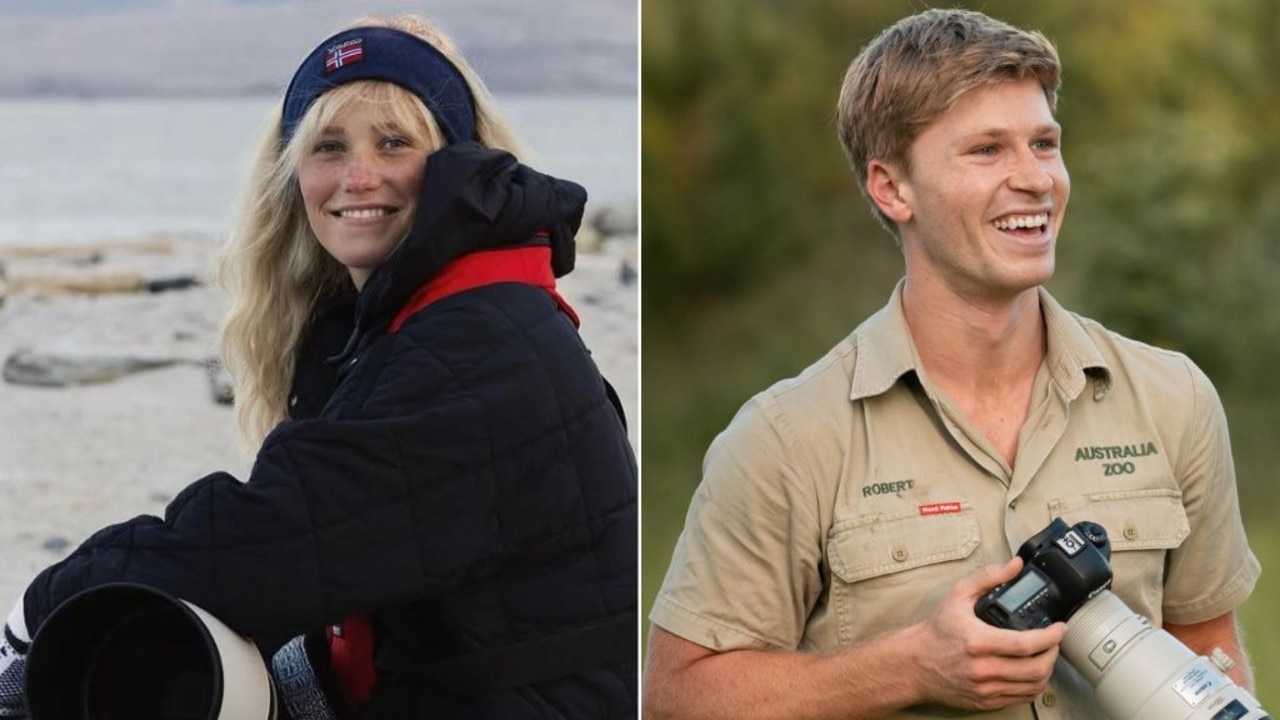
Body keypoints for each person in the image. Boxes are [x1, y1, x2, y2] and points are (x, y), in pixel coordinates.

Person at [0, 14, 637, 719]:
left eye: (394, 143)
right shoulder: (421, 320)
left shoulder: (485, 345)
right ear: (293, 175)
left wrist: (37, 613)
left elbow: (271, 539)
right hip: (464, 685)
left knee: (99, 649)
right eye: (328, 147)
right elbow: (354, 546)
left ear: (460, 164)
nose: (358, 177)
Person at [644, 8, 1259, 719]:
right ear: (891, 188)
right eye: (987, 151)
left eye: (1044, 143)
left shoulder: (1172, 397)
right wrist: (909, 669)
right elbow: (675, 696)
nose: (1036, 180)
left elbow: (1211, 657)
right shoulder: (786, 441)